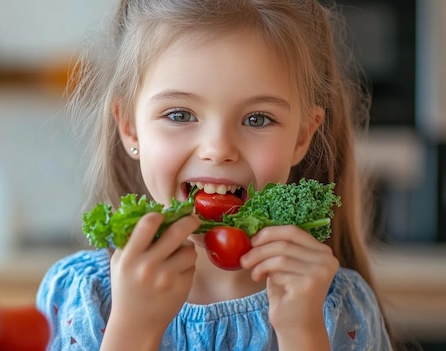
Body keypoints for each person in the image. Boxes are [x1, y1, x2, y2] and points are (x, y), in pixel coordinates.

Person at [36, 0, 394, 350]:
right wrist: (131, 332)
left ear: (302, 136)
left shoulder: (339, 309)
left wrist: (303, 333)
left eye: (257, 119)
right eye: (179, 114)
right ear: (130, 128)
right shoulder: (84, 297)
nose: (219, 148)